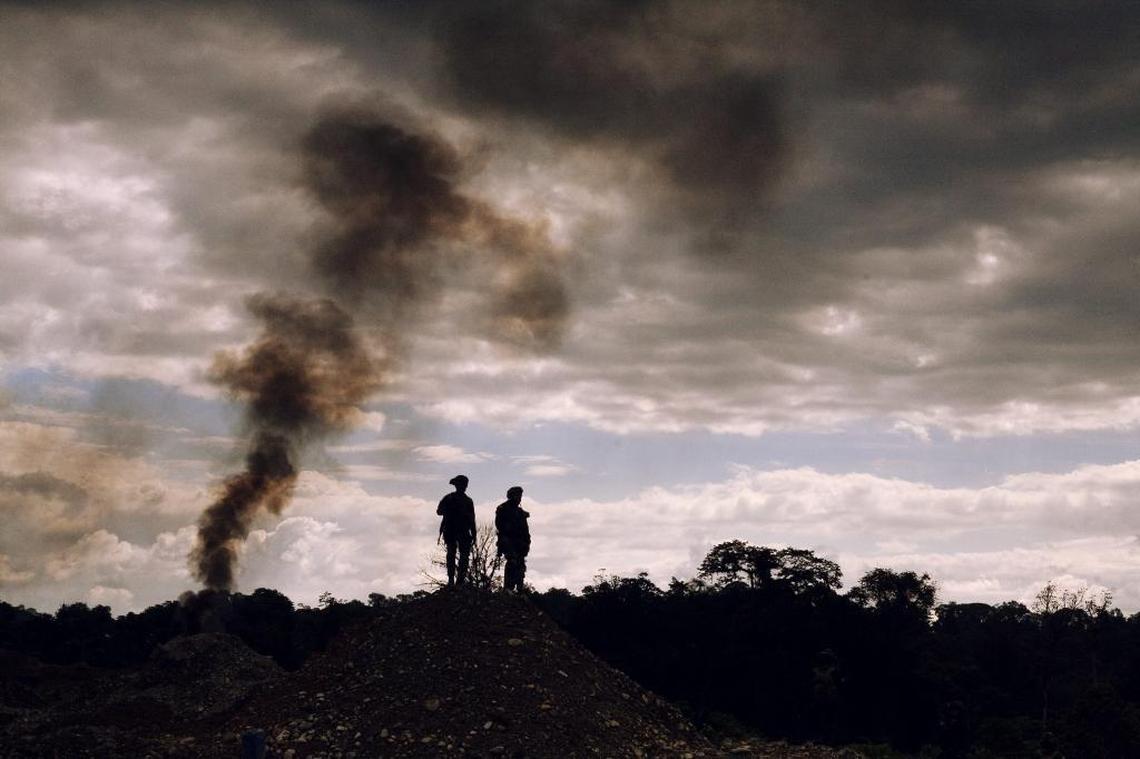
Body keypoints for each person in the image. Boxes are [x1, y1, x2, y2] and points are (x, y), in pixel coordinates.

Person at [437, 475, 476, 587]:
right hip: (452, 530)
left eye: (464, 484)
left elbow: (472, 518)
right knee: (452, 555)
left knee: (462, 556)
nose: (464, 486)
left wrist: (474, 534)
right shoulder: (449, 498)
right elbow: (439, 511)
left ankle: (459, 581)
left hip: (461, 531)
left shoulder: (467, 501)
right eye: (462, 484)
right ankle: (452, 580)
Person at [495, 485, 530, 593]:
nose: (519, 498)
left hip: (520, 543)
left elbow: (525, 530)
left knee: (520, 565)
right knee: (512, 561)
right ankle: (508, 588)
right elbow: (499, 526)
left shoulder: (520, 512)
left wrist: (527, 543)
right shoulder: (503, 509)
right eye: (517, 495)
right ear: (512, 496)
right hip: (508, 541)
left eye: (520, 496)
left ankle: (519, 588)